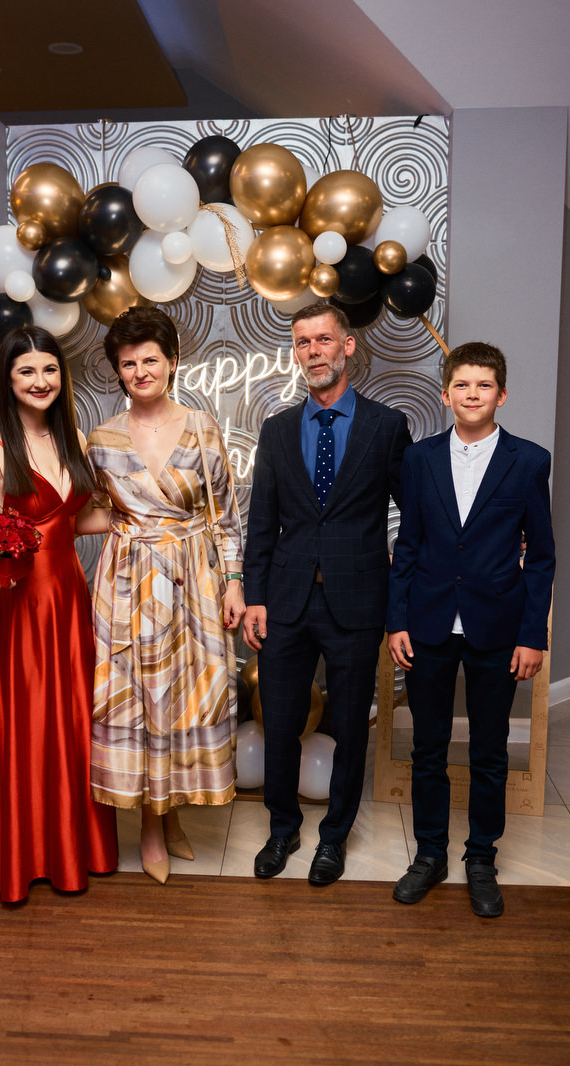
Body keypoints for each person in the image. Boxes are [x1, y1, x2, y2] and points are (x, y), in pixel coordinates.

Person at [242, 301, 412, 886]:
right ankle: (282, 828)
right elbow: (261, 521)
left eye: (323, 339)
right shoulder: (277, 429)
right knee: (279, 719)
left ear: (347, 346)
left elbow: (415, 517)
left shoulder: (386, 427)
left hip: (358, 601)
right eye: (302, 342)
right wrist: (256, 595)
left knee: (348, 725)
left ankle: (334, 836)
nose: (313, 351)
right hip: (286, 600)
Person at [387, 342, 555, 917]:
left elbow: (542, 557)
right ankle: (430, 853)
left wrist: (532, 635)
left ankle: (481, 857)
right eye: (462, 384)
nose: (472, 394)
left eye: (484, 385)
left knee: (488, 750)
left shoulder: (529, 461)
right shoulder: (420, 459)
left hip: (497, 627)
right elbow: (408, 544)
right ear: (445, 394)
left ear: (501, 395)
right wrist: (397, 620)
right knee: (428, 748)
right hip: (429, 624)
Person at [81, 307, 245, 885]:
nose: (140, 371)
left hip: (192, 580)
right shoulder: (101, 439)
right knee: (138, 697)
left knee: (181, 697)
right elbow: (91, 511)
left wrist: (234, 581)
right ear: (118, 372)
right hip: (126, 582)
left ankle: (170, 812)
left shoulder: (203, 427)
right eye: (129, 364)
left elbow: (225, 513)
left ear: (172, 362)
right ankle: (151, 828)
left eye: (150, 359)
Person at [0, 325, 118, 903]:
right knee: (27, 726)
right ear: (7, 380)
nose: (40, 380)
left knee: (72, 723)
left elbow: (72, 522)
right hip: (21, 606)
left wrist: (142, 517)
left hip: (69, 599)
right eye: (26, 370)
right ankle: (21, 857)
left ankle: (75, 851)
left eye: (49, 368)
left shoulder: (70, 437)